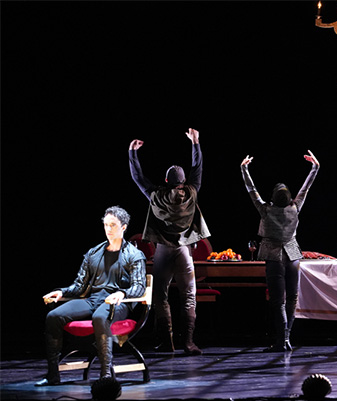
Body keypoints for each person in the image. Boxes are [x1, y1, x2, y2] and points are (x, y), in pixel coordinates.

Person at [37, 206, 147, 386]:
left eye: (113, 225)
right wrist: (62, 291)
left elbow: (139, 287)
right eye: (106, 224)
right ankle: (52, 375)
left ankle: (106, 376)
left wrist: (122, 293)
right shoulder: (94, 253)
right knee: (53, 316)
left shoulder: (134, 255)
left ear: (124, 227)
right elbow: (80, 285)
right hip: (94, 300)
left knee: (100, 316)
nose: (108, 229)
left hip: (118, 304)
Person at [129, 128, 210, 356]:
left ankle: (167, 342)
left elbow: (138, 178)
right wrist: (195, 143)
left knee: (160, 296)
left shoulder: (156, 195)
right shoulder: (192, 192)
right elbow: (198, 168)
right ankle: (189, 343)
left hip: (163, 251)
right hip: (184, 250)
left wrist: (132, 153)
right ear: (184, 181)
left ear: (166, 181)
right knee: (189, 295)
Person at [240, 150, 320, 352]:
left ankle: (281, 341)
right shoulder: (295, 207)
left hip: (274, 257)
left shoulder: (265, 210)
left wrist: (244, 169)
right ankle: (286, 339)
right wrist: (315, 168)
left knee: (278, 301)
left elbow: (251, 190)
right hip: (292, 257)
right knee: (291, 298)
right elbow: (306, 188)